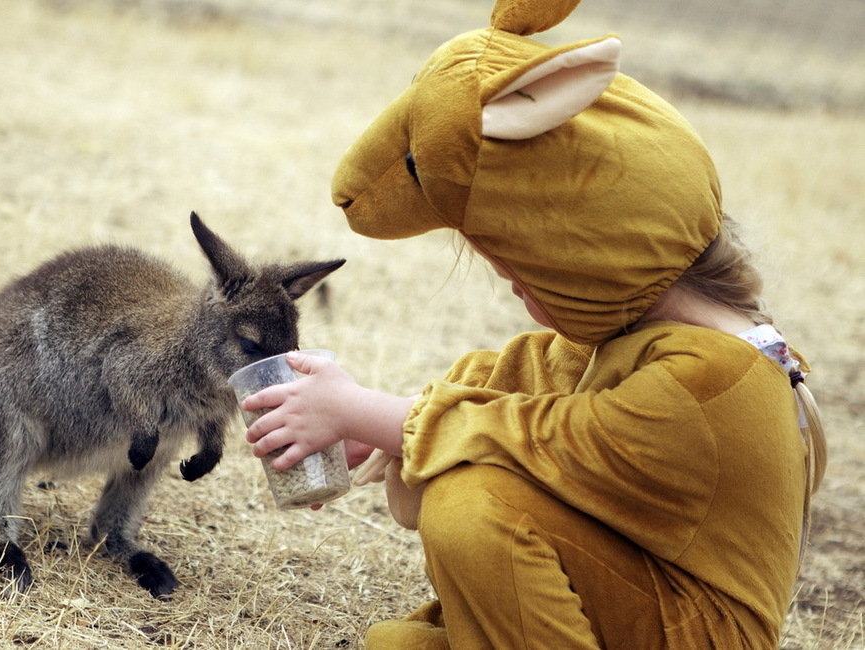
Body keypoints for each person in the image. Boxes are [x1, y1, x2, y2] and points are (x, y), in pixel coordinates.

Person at [243, 0, 827, 647]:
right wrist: (374, 428)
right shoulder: (640, 341)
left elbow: (541, 438)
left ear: (583, 253)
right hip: (639, 601)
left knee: (477, 505)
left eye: (521, 271)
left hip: (690, 632)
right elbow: (505, 390)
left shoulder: (712, 380)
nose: (513, 285)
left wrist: (364, 411)